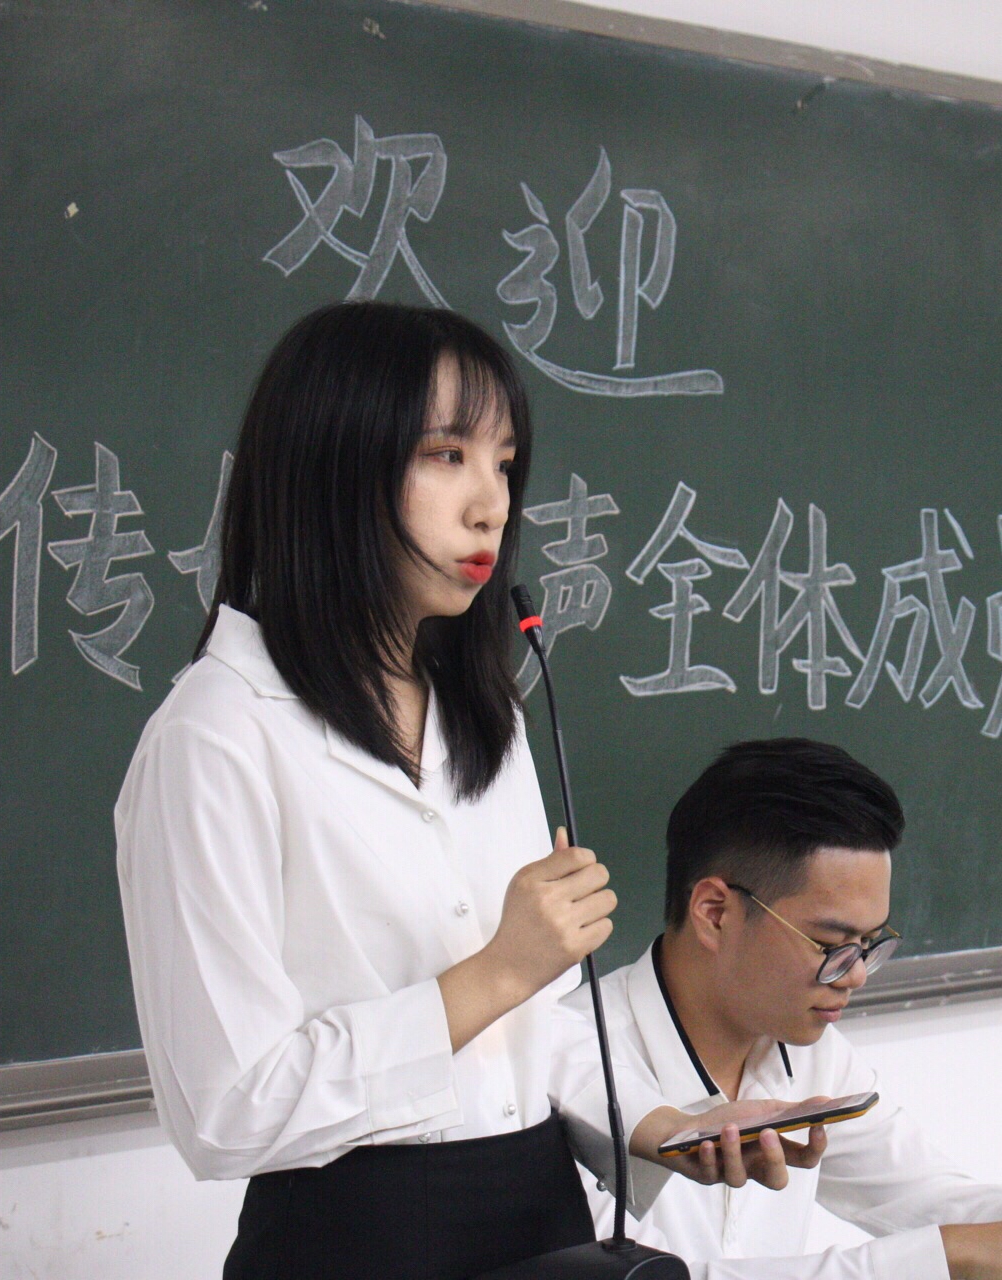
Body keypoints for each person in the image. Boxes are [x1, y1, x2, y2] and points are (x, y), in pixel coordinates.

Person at [115, 303, 817, 1280]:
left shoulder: (485, 716)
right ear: (332, 465)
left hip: (540, 1214)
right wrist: (492, 972)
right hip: (349, 1243)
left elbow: (539, 1032)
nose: (491, 504)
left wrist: (664, 1126)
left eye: (505, 463)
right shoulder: (218, 733)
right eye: (446, 455)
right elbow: (225, 1110)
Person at [554, 738, 1002, 1279]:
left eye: (869, 944)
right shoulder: (561, 1070)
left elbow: (926, 1193)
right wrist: (948, 1256)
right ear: (715, 912)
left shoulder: (814, 1055)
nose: (857, 974)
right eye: (831, 944)